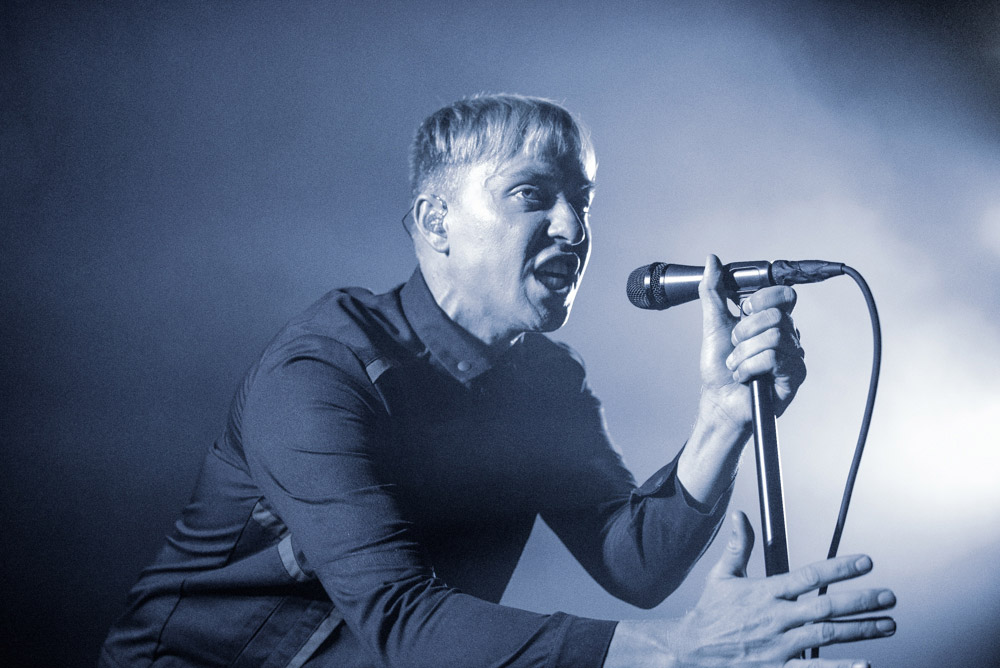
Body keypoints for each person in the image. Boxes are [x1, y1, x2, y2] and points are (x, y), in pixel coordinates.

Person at [100, 94, 895, 668]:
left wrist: (725, 418)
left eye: (582, 201)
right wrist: (678, 653)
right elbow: (402, 622)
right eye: (532, 195)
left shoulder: (542, 379)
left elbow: (633, 564)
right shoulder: (321, 374)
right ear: (435, 221)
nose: (575, 230)